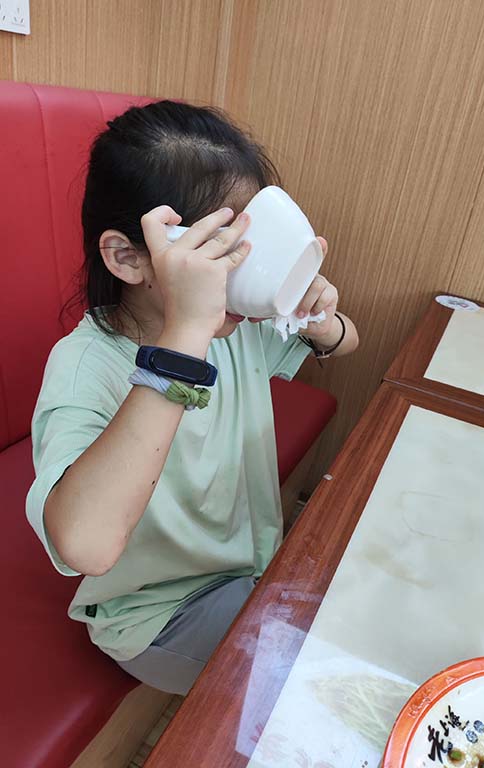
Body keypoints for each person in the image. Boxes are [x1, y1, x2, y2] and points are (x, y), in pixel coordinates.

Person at [26, 100, 359, 695]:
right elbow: (87, 545)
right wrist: (183, 337)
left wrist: (315, 311)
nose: (241, 267)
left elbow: (347, 341)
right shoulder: (85, 368)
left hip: (246, 563)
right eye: (215, 251)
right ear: (128, 257)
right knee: (318, 680)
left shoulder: (233, 327)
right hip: (158, 612)